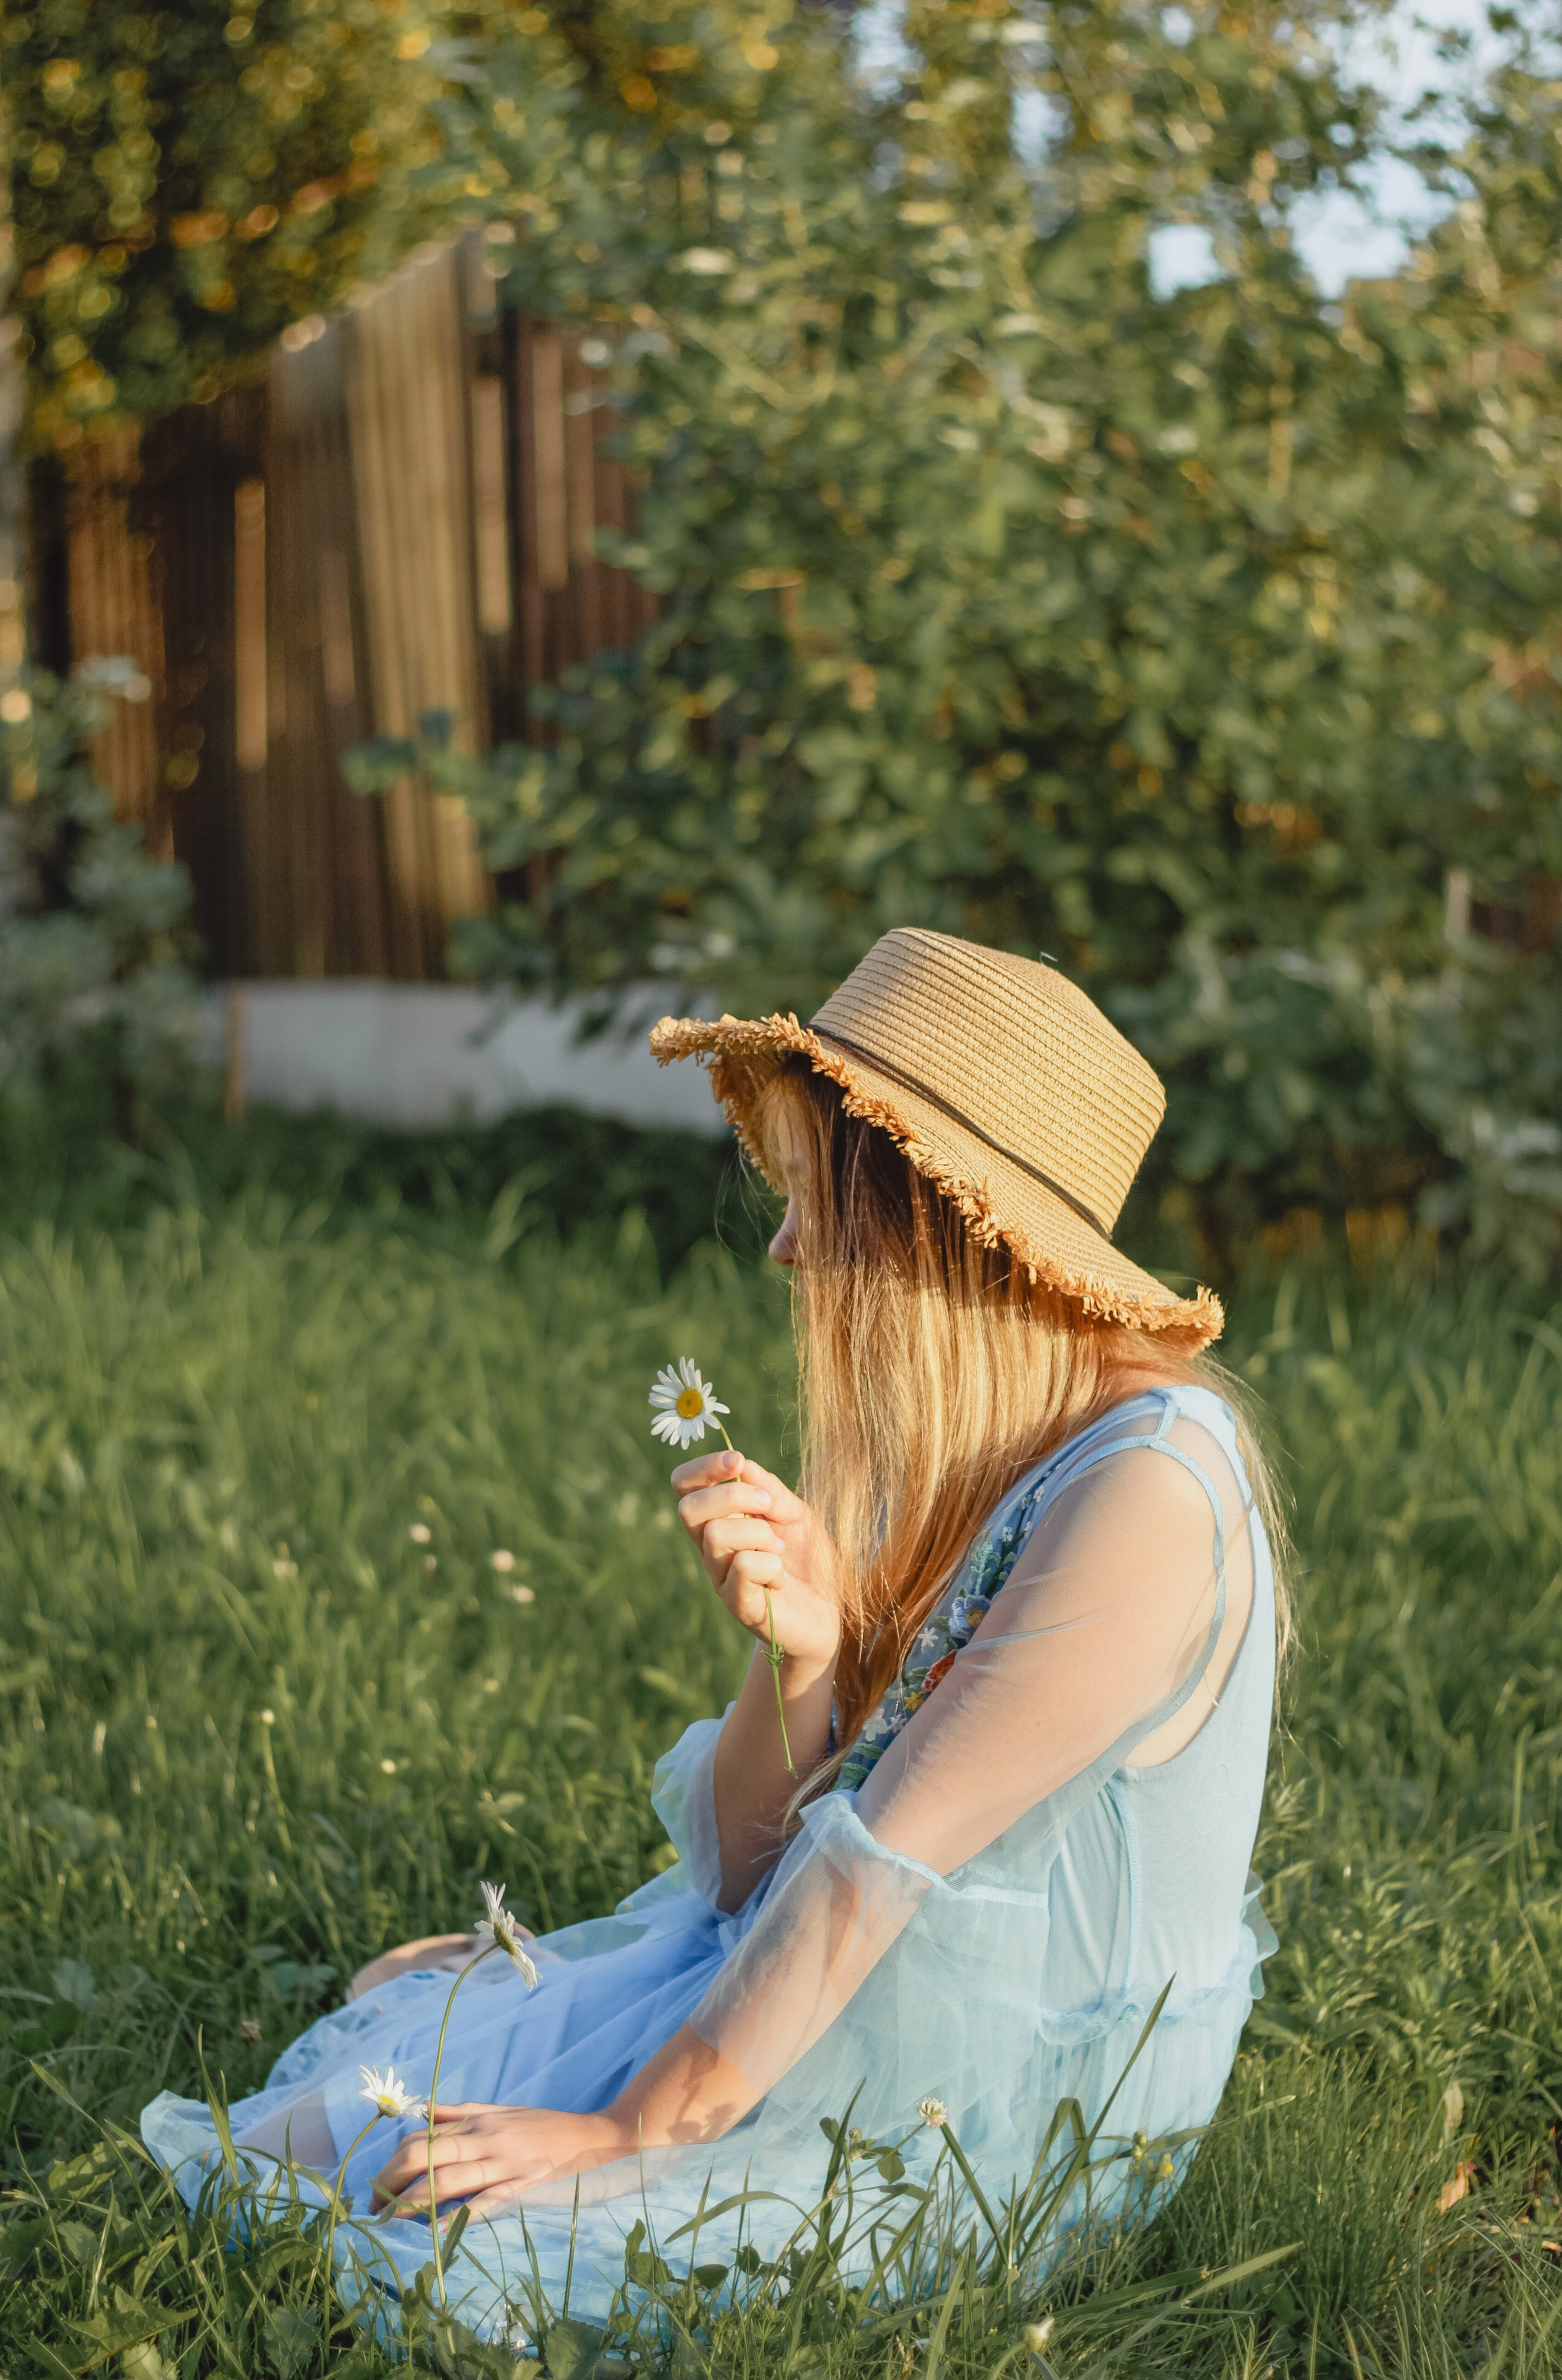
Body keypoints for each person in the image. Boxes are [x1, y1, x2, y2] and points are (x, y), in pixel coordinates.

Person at [141, 927, 1281, 2336]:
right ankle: (549, 2016)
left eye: (812, 1200)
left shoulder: (1148, 1493)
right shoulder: (1001, 1447)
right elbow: (754, 1876)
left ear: (928, 1216)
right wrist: (801, 1661)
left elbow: (875, 1868)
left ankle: (604, 2073)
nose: (787, 1249)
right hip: (862, 1990)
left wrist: (633, 2136)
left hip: (998, 2102)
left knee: (404, 2217)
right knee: (343, 2106)